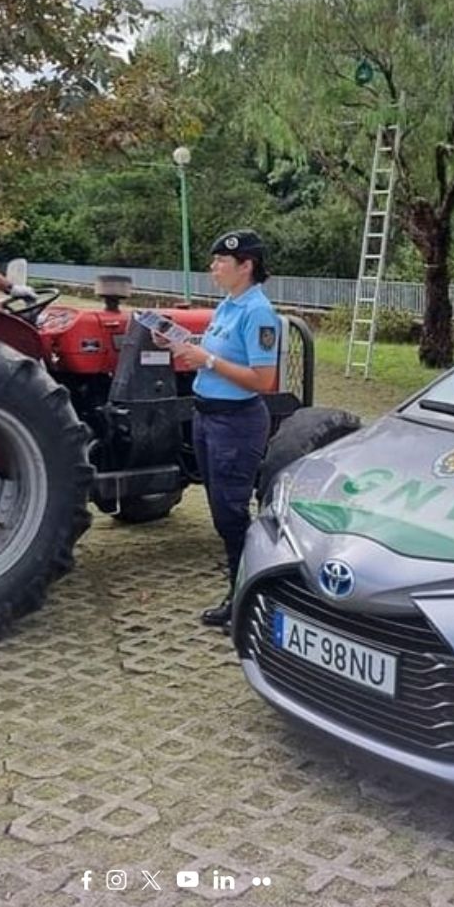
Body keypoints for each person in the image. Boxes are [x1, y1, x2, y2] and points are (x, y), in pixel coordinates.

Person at [164, 229, 280, 628]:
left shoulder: (258, 313)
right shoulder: (227, 306)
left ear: (246, 266)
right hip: (207, 417)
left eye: (221, 262)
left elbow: (263, 380)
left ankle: (246, 600)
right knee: (221, 513)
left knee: (232, 515)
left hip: (236, 423)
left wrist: (208, 360)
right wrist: (187, 349)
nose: (213, 268)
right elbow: (212, 353)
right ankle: (240, 592)